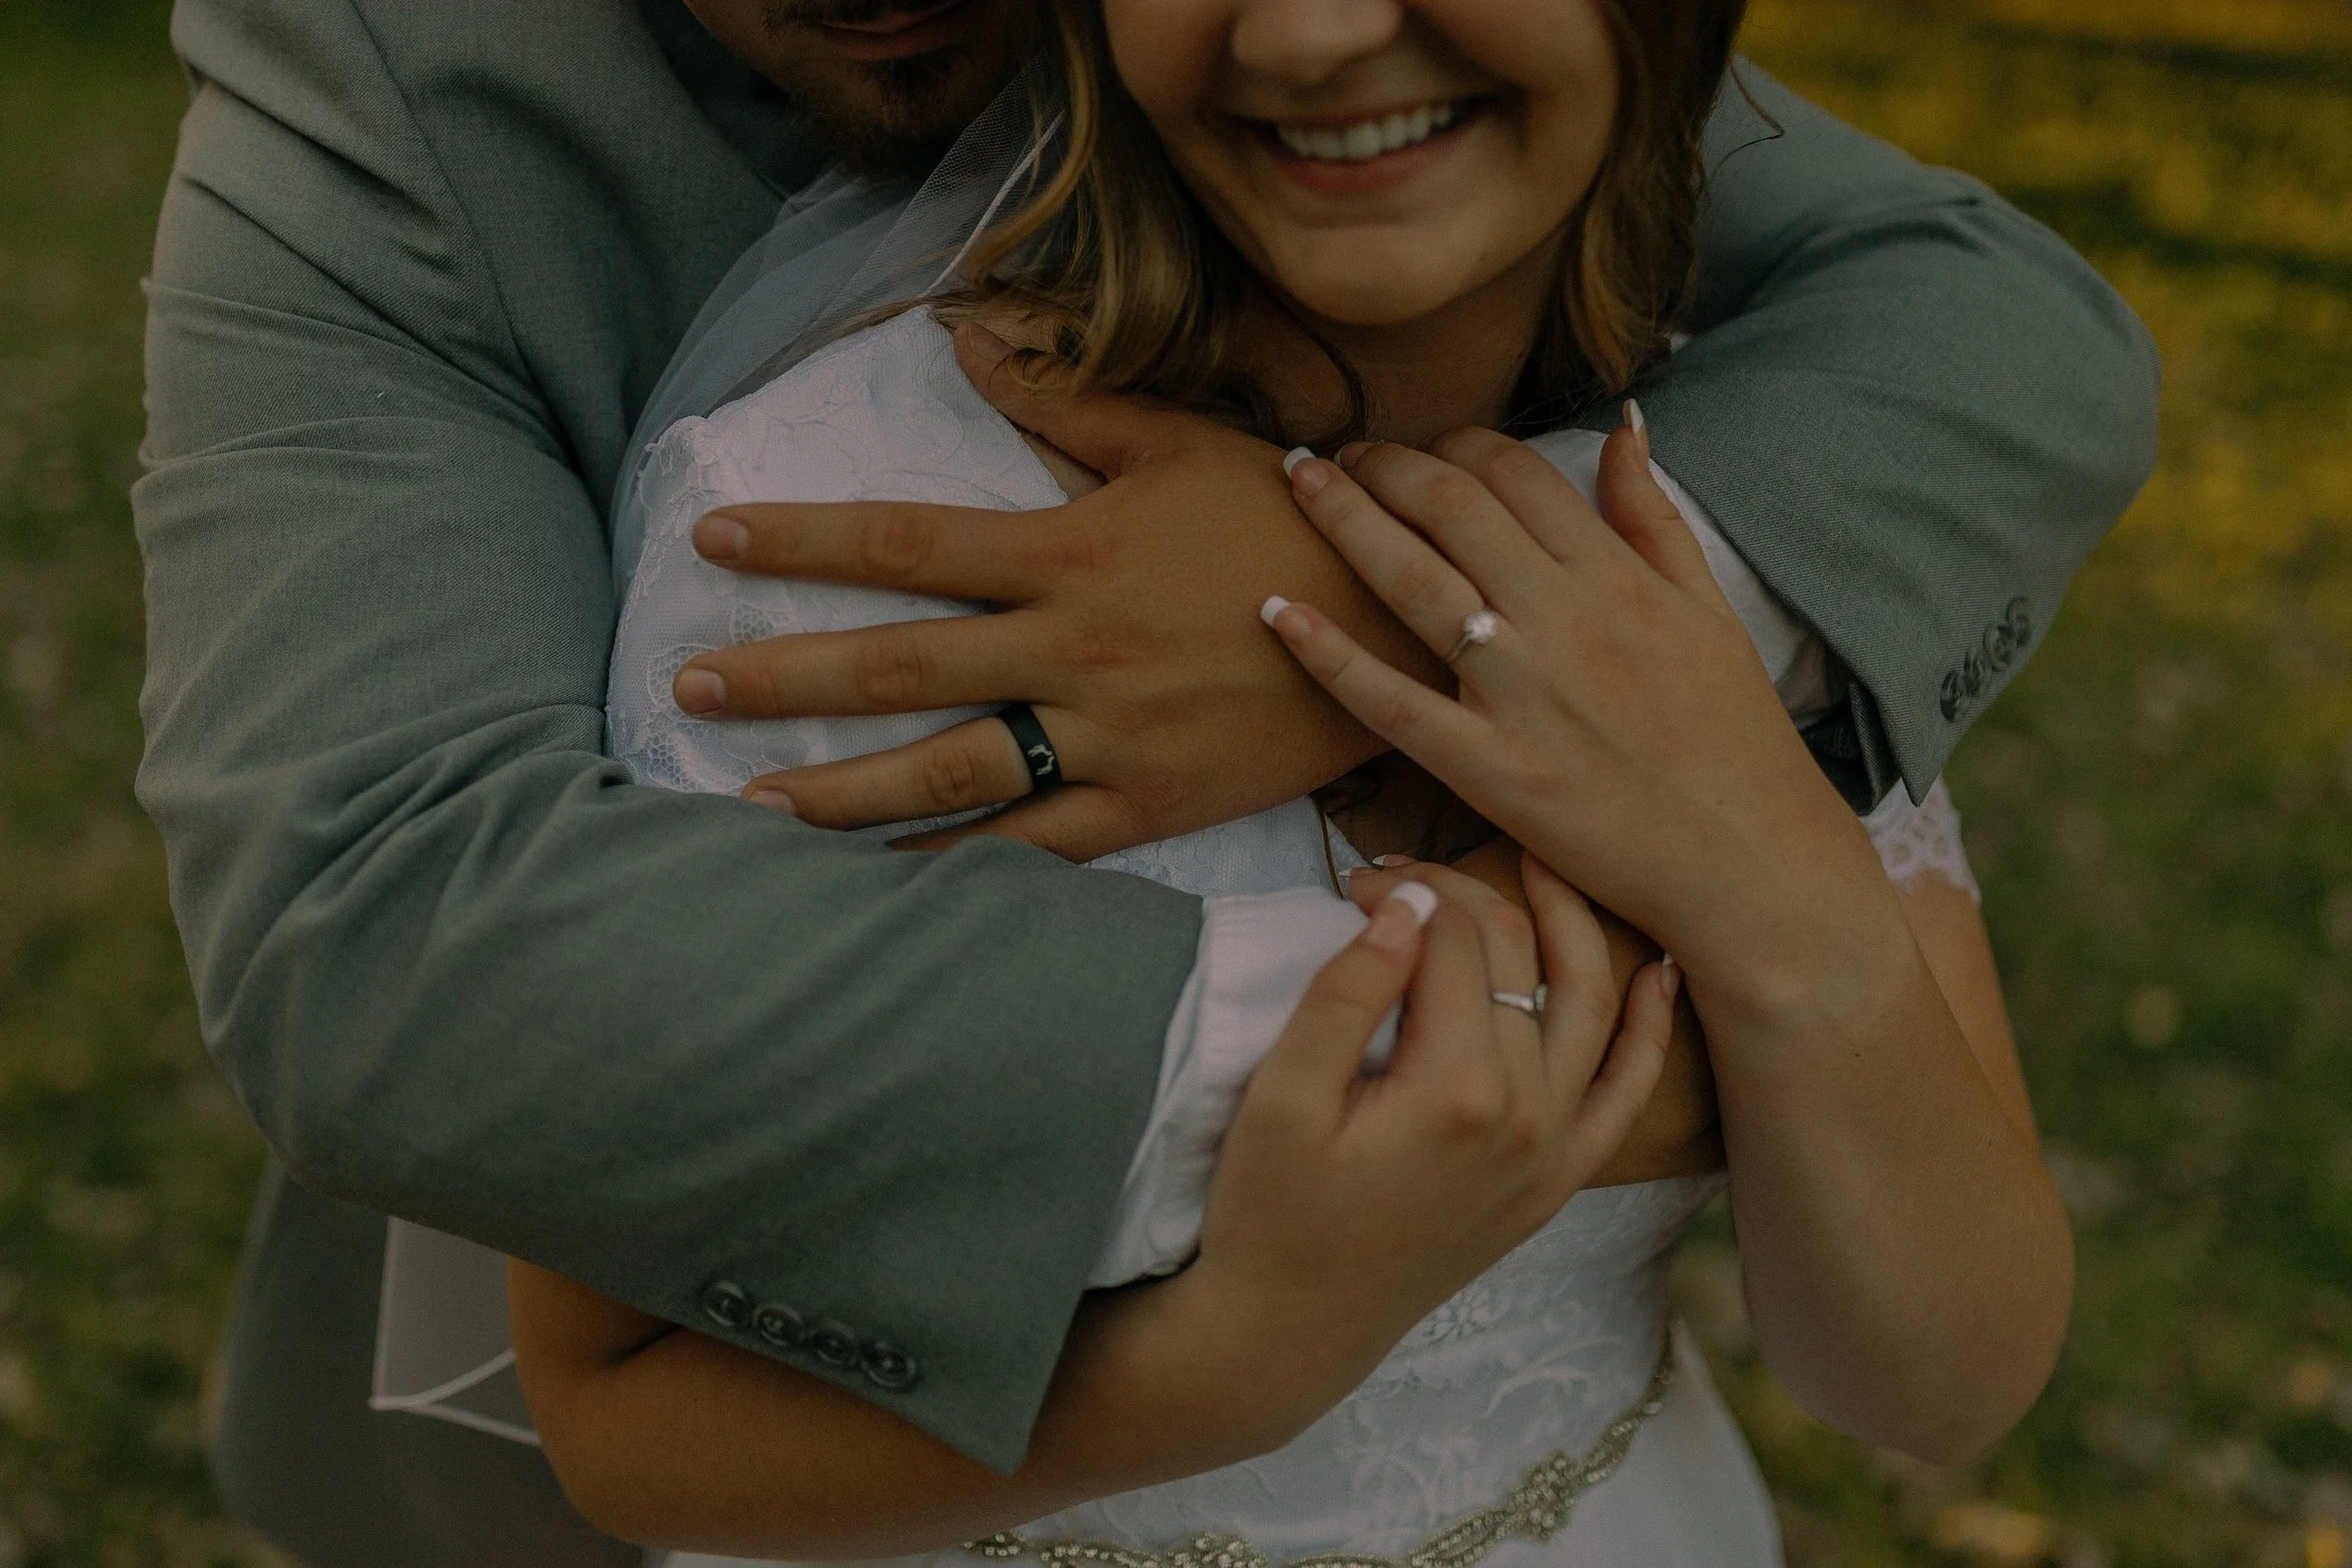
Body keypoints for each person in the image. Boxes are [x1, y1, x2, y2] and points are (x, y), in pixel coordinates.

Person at [133, 0, 2154, 1562]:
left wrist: (1422, 615)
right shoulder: (825, 549)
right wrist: (1450, 1083)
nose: (1307, 31)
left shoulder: (1666, 538)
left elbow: (1942, 1365)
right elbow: (404, 966)